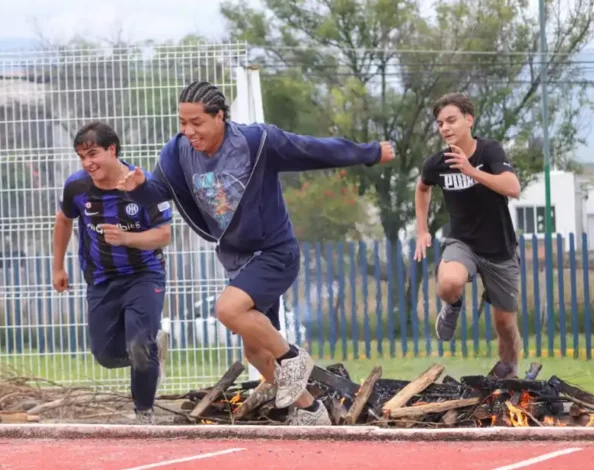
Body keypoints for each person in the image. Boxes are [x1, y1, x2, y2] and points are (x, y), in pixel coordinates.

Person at [117, 81, 395, 425]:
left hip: (274, 252)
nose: (188, 131)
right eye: (182, 122)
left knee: (228, 308)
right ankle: (310, 410)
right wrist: (139, 187)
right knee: (256, 350)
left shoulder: (256, 142)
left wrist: (369, 153)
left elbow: (313, 149)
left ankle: (293, 358)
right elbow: (160, 192)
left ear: (219, 117)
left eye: (197, 123)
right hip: (237, 259)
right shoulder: (176, 153)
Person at [52, 121, 173, 424]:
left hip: (144, 276)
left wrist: (127, 238)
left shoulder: (144, 185)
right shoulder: (77, 187)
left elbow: (163, 235)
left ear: (112, 149)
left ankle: (144, 414)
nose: (88, 163)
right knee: (105, 356)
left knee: (139, 344)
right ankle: (151, 352)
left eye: (93, 154)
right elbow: (64, 220)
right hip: (102, 280)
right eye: (82, 157)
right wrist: (58, 266)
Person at [414, 92, 523, 378]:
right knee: (448, 283)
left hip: (500, 250)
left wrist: (471, 171)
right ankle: (453, 305)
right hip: (463, 243)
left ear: (469, 120)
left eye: (451, 120)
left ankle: (509, 376)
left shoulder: (490, 152)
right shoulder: (436, 163)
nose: (445, 128)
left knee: (505, 325)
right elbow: (422, 188)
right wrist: (422, 230)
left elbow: (513, 187)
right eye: (440, 123)